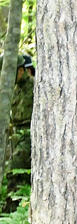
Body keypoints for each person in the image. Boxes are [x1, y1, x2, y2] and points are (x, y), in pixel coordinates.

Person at [2, 53, 34, 206]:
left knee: (14, 169)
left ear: (20, 70)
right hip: (16, 135)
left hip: (29, 135)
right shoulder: (14, 90)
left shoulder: (35, 87)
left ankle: (11, 209)